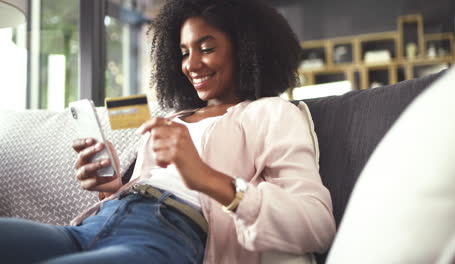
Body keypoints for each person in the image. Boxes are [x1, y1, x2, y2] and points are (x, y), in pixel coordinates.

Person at [0, 0, 335, 263]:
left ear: (247, 49)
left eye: (206, 48)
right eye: (185, 52)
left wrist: (205, 177)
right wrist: (111, 188)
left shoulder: (274, 113)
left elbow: (316, 225)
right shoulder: (174, 119)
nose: (190, 64)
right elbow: (151, 183)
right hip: (94, 225)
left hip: (169, 233)